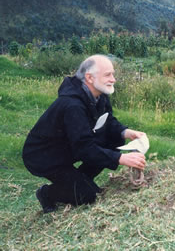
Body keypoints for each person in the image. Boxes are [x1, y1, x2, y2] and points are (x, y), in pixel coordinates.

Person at [22, 54, 146, 213]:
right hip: (45, 157)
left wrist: (126, 132)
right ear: (89, 78)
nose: (113, 79)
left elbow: (108, 121)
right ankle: (47, 193)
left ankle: (80, 181)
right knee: (89, 195)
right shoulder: (72, 105)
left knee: (114, 142)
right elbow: (84, 148)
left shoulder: (100, 96)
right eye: (108, 74)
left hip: (68, 147)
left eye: (113, 74)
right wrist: (121, 158)